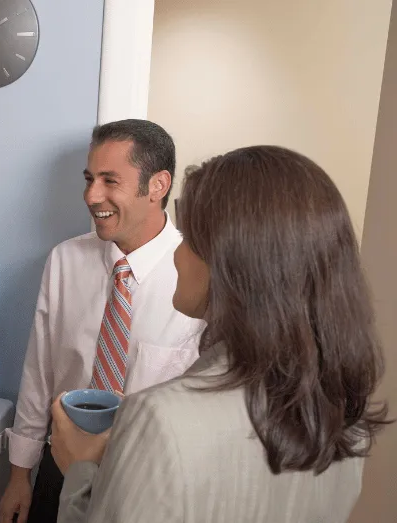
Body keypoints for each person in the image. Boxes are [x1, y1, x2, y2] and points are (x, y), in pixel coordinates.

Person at [52, 145, 391, 523]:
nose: (177, 255)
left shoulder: (159, 420)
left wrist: (80, 469)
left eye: (189, 239)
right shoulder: (345, 413)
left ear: (232, 263)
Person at [0, 119, 206, 523]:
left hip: (148, 483)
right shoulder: (65, 261)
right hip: (60, 467)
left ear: (158, 185)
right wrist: (19, 474)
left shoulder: (199, 274)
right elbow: (39, 372)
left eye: (110, 181)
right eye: (89, 179)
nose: (92, 196)